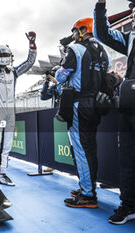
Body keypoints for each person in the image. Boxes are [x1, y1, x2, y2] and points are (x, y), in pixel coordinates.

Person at [55, 17, 110, 208]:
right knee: (89, 149)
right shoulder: (103, 51)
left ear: (83, 30)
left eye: (75, 31)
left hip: (80, 104)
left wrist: (59, 68)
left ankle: (88, 195)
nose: (73, 35)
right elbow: (106, 75)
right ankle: (87, 187)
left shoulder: (75, 49)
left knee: (81, 150)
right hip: (96, 103)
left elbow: (60, 76)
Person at [94, 0, 135, 224]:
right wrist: (101, 5)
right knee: (128, 160)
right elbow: (102, 33)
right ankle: (129, 205)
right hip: (129, 105)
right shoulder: (131, 38)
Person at [0, 30, 37, 186]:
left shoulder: (14, 72)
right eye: (1, 55)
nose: (5, 58)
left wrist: (32, 44)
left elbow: (29, 62)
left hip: (11, 112)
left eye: (7, 55)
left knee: (7, 144)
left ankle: (2, 172)